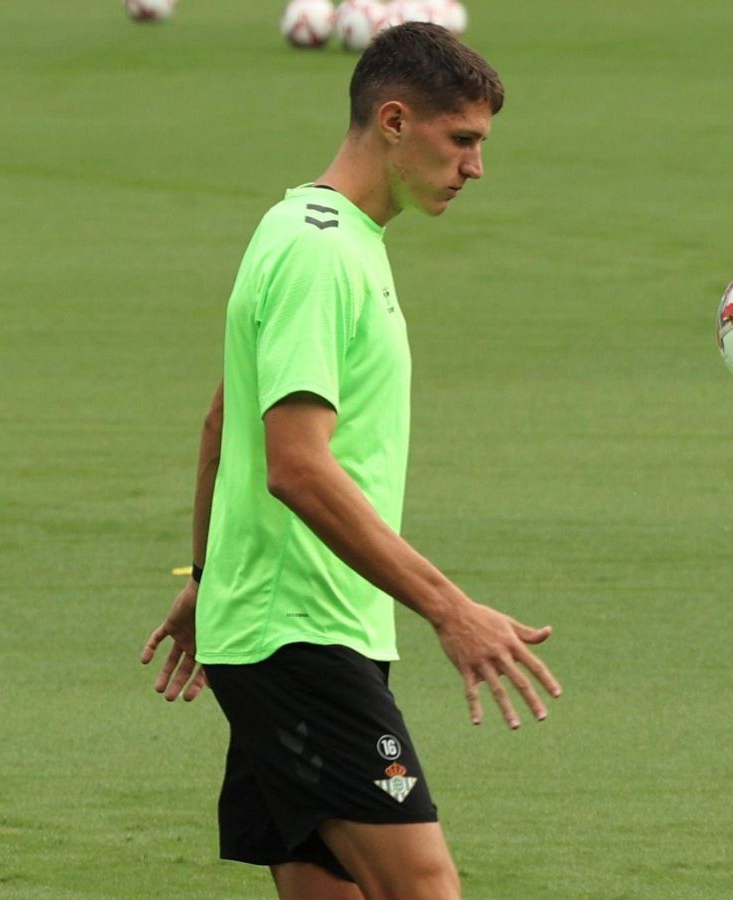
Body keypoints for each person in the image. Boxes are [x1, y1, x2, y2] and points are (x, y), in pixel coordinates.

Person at [139, 23, 561, 900]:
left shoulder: (314, 230)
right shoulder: (321, 252)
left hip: (291, 622)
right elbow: (294, 464)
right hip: (301, 631)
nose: (477, 167)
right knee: (422, 889)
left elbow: (225, 418)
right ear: (396, 121)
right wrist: (450, 609)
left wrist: (212, 577)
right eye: (464, 140)